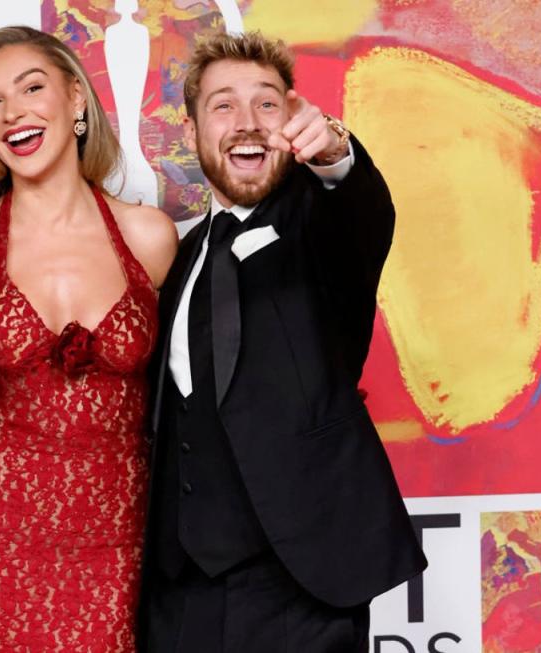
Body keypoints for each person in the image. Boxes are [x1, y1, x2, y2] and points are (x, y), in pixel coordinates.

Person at [136, 31, 428, 652]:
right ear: (192, 133)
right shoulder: (180, 255)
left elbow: (361, 210)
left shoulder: (320, 225)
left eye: (266, 104)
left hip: (301, 587)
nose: (246, 124)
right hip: (179, 592)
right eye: (223, 106)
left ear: (293, 120)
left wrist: (336, 154)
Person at [0, 25, 177, 652]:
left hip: (127, 547)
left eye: (31, 88)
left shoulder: (151, 237)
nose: (12, 113)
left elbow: (191, 399)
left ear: (77, 100)